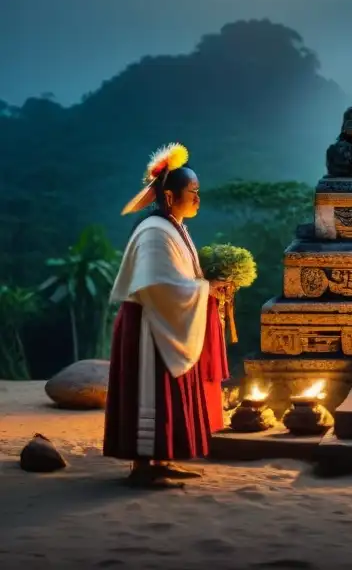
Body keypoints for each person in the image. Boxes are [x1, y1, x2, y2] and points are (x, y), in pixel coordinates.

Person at [103, 143, 231, 488]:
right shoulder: (155, 232)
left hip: (164, 322)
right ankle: (143, 464)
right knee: (151, 393)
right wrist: (205, 288)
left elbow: (178, 281)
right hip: (149, 326)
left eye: (199, 192)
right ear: (171, 197)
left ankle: (161, 460)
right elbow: (161, 286)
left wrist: (205, 287)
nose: (198, 198)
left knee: (167, 394)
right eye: (193, 192)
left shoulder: (174, 227)